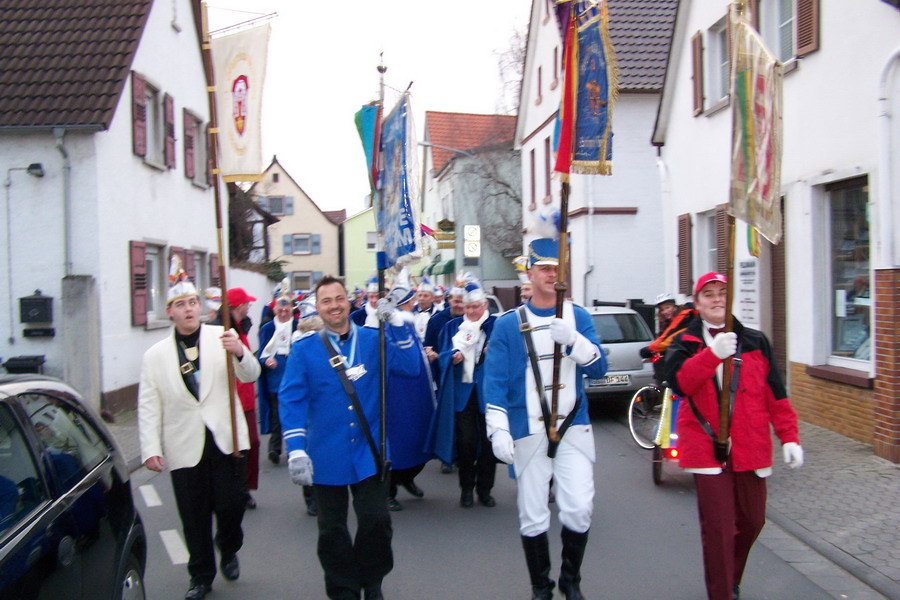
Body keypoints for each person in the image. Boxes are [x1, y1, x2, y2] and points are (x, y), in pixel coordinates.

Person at [278, 275, 421, 600]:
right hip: (326, 453)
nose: (334, 306)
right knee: (332, 530)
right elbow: (291, 399)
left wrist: (397, 323)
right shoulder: (304, 350)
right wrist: (296, 449)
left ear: (349, 301)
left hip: (368, 453)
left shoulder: (374, 340)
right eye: (326, 301)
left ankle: (371, 582)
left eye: (339, 298)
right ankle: (343, 588)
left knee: (376, 522)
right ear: (318, 307)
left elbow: (411, 367)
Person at [664, 271, 804, 600]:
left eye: (722, 292)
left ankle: (730, 578)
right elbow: (680, 383)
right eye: (708, 294)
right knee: (719, 529)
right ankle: (722, 592)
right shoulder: (684, 342)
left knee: (753, 521)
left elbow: (777, 395)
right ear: (697, 303)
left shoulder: (755, 340)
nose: (716, 299)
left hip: (751, 445)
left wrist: (790, 437)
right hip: (705, 444)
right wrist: (713, 354)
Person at [483, 238, 607, 600]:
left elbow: (599, 368)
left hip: (573, 426)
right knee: (533, 513)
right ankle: (541, 586)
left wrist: (575, 342)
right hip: (528, 430)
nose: (552, 274)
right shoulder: (508, 325)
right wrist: (498, 429)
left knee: (580, 508)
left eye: (557, 268)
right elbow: (495, 383)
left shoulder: (578, 317)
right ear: (530, 272)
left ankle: (571, 580)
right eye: (544, 268)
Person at [138, 257, 260, 600]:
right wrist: (150, 447)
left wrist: (239, 352)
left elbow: (251, 374)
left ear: (199, 307)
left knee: (231, 506)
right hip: (184, 446)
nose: (189, 309)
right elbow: (148, 405)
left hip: (226, 440)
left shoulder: (222, 336)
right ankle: (201, 576)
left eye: (193, 302)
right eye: (180, 304)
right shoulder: (156, 356)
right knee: (193, 517)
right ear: (170, 312)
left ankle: (229, 545)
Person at [429, 276, 498, 508]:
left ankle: (485, 490)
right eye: (467, 307)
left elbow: (510, 356)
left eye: (475, 307)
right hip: (462, 394)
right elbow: (442, 356)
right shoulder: (452, 327)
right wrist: (453, 357)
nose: (470, 311)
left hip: (489, 393)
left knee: (489, 444)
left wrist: (493, 351)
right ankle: (466, 490)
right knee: (466, 443)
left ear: (485, 305)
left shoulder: (496, 326)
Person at [381, 271, 436, 511]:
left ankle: (407, 478)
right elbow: (406, 364)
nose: (413, 304)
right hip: (399, 398)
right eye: (409, 302)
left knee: (419, 441)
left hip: (417, 397)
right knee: (399, 443)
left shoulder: (407, 323)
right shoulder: (392, 328)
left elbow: (414, 358)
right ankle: (389, 491)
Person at [212, 287, 261, 509]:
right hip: (234, 398)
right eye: (247, 304)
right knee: (239, 446)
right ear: (239, 306)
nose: (249, 307)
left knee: (250, 444)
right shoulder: (221, 329)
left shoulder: (241, 325)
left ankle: (243, 488)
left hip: (246, 396)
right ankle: (237, 490)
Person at [257, 285, 297, 466]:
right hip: (274, 379)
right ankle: (274, 449)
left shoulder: (298, 326)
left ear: (291, 310)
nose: (282, 313)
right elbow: (260, 354)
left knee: (292, 415)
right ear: (275, 310)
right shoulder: (267, 328)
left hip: (293, 378)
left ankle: (292, 449)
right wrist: (265, 361)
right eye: (279, 310)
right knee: (275, 417)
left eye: (286, 310)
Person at [640, 294, 697, 387]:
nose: (665, 311)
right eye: (662, 309)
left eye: (668, 307)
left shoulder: (683, 318)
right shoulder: (670, 322)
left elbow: (668, 340)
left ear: (674, 306)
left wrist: (649, 349)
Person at [412, 277, 439, 341]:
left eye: (425, 296)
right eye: (419, 295)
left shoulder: (438, 314)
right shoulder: (409, 313)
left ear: (432, 298)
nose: (422, 298)